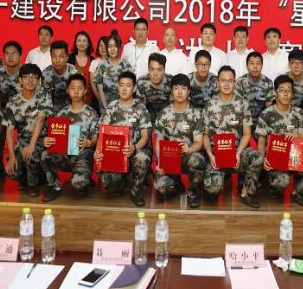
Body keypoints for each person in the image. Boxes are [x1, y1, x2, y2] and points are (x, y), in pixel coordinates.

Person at [203, 66, 264, 209]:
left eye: (230, 81)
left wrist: (238, 153)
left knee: (257, 157)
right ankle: (218, 180)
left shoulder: (242, 104)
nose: (226, 84)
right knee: (212, 190)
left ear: (234, 83)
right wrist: (210, 155)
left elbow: (247, 133)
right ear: (217, 83)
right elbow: (205, 135)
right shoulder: (210, 105)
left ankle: (245, 193)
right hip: (216, 154)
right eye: (223, 80)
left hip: (237, 152)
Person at [94, 72, 152, 207]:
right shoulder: (111, 107)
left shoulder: (140, 109)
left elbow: (145, 136)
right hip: (115, 153)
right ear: (118, 87)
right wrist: (97, 150)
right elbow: (102, 133)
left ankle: (135, 191)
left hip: (134, 151)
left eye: (128, 85)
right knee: (109, 183)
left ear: (134, 88)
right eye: (121, 85)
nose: (124, 89)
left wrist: (134, 148)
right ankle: (121, 181)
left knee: (142, 158)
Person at [256, 75, 303, 207]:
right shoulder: (267, 114)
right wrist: (262, 159)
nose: (286, 94)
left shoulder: (299, 113)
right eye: (282, 90)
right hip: (275, 160)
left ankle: (297, 191)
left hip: (293, 157)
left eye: (289, 90)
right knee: (282, 183)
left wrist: (296, 136)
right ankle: (274, 186)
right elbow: (261, 141)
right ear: (275, 93)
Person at [41, 74, 99, 202]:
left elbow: (96, 139)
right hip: (65, 156)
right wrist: (47, 141)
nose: (76, 92)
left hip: (82, 156)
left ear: (85, 91)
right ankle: (55, 188)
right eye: (73, 88)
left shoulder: (92, 113)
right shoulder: (62, 113)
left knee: (79, 185)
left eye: (79, 88)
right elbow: (54, 136)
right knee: (46, 155)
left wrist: (89, 143)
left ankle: (83, 178)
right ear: (68, 90)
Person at [153, 74, 206, 208]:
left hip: (186, 157)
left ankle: (193, 193)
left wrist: (190, 149)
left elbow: (199, 143)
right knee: (162, 187)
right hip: (169, 159)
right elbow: (159, 142)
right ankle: (175, 184)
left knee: (198, 160)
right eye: (176, 88)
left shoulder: (195, 114)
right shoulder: (163, 114)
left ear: (188, 91)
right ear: (171, 91)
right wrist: (160, 162)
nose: (180, 92)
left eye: (183, 88)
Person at [3, 64, 53, 197]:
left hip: (42, 140)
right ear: (20, 80)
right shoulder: (13, 103)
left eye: (34, 77)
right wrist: (12, 156)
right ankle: (31, 177)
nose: (30, 80)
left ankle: (33, 185)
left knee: (31, 156)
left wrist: (31, 146)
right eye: (26, 77)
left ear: (38, 81)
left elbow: (40, 120)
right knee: (12, 171)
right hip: (22, 141)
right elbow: (9, 130)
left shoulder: (44, 96)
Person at [235, 51, 275, 140]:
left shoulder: (268, 83)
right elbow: (238, 108)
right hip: (243, 122)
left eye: (258, 63)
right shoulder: (240, 82)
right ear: (246, 66)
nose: (255, 67)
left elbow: (269, 109)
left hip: (261, 122)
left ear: (262, 66)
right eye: (252, 63)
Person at [93, 35, 132, 113]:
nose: (112, 49)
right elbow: (100, 89)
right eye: (109, 46)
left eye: (115, 46)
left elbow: (129, 88)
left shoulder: (126, 65)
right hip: (105, 106)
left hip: (123, 107)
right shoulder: (102, 65)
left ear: (119, 47)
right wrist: (106, 107)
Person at [41, 41, 81, 114]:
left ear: (67, 57)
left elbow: (80, 98)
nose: (57, 60)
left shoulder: (75, 72)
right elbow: (46, 100)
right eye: (54, 56)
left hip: (72, 110)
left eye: (61, 56)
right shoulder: (46, 74)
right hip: (53, 111)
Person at [136, 53, 173, 124]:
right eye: (152, 69)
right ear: (148, 69)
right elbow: (142, 107)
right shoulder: (142, 82)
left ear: (164, 70)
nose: (155, 74)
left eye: (159, 70)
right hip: (149, 109)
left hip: (167, 109)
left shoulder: (171, 81)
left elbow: (173, 106)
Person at [68, 31, 95, 107]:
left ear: (88, 43)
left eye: (84, 41)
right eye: (79, 41)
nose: (81, 43)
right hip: (73, 97)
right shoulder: (69, 59)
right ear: (76, 43)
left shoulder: (93, 60)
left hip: (90, 98)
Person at [89, 36, 109, 114]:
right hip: (98, 96)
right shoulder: (94, 62)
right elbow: (92, 83)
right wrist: (99, 97)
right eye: (100, 45)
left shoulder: (112, 61)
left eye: (105, 45)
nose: (103, 48)